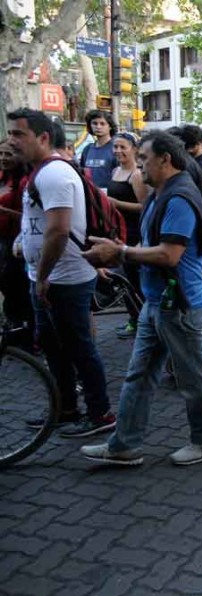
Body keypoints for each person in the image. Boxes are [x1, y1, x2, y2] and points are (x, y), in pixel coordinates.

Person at [80, 131, 202, 466]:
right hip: (157, 302)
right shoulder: (161, 194)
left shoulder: (179, 198)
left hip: (180, 305)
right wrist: (116, 251)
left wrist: (121, 252)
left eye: (144, 158)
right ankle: (124, 445)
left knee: (193, 377)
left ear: (165, 159)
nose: (139, 164)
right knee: (140, 374)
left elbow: (169, 254)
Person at [7, 108, 115, 437]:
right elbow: (37, 222)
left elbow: (58, 230)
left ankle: (100, 415)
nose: (12, 141)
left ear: (42, 138)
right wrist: (23, 243)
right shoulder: (39, 172)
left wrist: (42, 277)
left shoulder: (54, 174)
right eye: (10, 133)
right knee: (53, 347)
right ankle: (65, 408)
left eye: (18, 134)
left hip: (63, 279)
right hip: (46, 278)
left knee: (79, 348)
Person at [106, 132, 151, 338]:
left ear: (134, 149)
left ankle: (144, 320)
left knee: (135, 279)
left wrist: (116, 204)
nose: (118, 151)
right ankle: (134, 318)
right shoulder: (116, 171)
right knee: (125, 281)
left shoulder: (137, 175)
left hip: (134, 232)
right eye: (115, 147)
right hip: (118, 230)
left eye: (123, 147)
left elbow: (144, 207)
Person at [0, 139, 32, 340]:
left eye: (8, 154)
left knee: (17, 287)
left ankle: (25, 335)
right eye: (1, 154)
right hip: (3, 240)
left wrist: (3, 211)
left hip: (18, 243)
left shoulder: (24, 181)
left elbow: (29, 216)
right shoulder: (2, 177)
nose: (3, 158)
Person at [79, 110, 117, 189]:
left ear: (109, 126)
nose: (98, 126)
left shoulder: (116, 148)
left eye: (102, 123)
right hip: (91, 196)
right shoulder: (87, 149)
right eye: (95, 123)